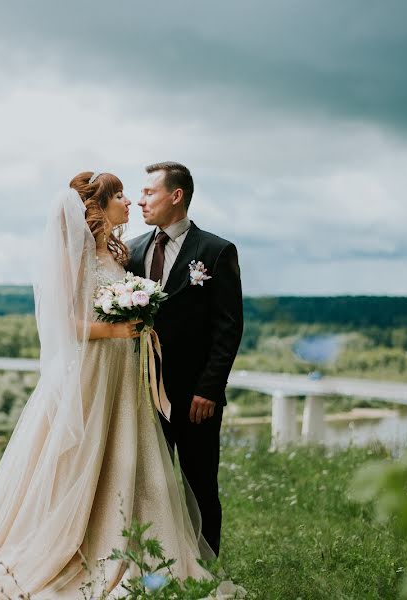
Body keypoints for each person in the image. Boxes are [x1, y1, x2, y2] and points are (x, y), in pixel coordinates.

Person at [0, 171, 226, 599]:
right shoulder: (88, 255)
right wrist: (115, 331)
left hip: (128, 375)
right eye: (122, 195)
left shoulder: (122, 251)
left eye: (140, 193)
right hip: (96, 370)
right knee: (84, 458)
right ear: (97, 206)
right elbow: (63, 321)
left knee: (132, 460)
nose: (131, 201)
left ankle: (146, 543)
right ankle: (79, 544)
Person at [127, 162, 244, 556]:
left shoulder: (215, 250)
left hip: (196, 397)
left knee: (199, 485)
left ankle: (206, 566)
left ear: (176, 196)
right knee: (146, 484)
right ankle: (150, 561)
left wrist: (209, 389)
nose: (140, 200)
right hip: (141, 393)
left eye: (149, 193)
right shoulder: (133, 250)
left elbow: (228, 328)